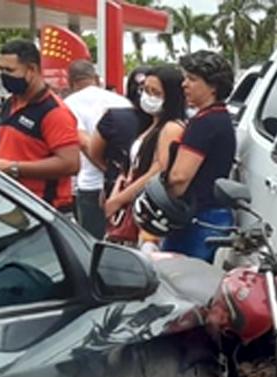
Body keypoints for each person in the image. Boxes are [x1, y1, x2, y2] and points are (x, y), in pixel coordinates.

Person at [0, 39, 80, 214]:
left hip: (45, 211)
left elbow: (70, 164)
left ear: (32, 70)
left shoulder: (54, 112)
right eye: (0, 70)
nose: (3, 76)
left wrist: (13, 168)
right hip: (14, 205)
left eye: (9, 70)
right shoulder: (11, 103)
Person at [164, 50, 237, 262]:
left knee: (182, 285)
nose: (184, 84)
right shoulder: (220, 118)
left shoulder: (204, 124)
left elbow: (179, 178)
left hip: (198, 218)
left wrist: (163, 199)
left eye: (192, 79)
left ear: (213, 86)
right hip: (214, 217)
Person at [103, 65, 187, 247]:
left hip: (147, 216)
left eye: (155, 92)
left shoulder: (171, 128)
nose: (148, 97)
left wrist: (118, 200)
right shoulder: (149, 126)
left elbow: (157, 171)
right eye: (145, 90)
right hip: (131, 204)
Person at [64, 59, 132, 239]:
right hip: (124, 185)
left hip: (91, 184)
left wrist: (106, 169)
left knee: (91, 242)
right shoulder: (121, 101)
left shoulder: (68, 104)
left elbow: (85, 143)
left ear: (70, 82)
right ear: (95, 78)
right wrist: (118, 173)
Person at [88, 66, 152, 200]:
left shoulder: (113, 117)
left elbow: (94, 153)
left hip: (123, 191)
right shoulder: (173, 123)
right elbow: (94, 152)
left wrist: (113, 173)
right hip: (127, 191)